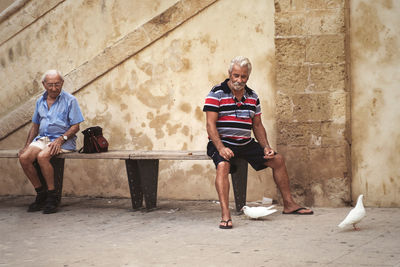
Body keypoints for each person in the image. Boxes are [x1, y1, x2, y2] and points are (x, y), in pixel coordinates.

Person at [203, 56, 313, 229]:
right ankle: (225, 214)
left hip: (246, 143)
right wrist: (221, 147)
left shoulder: (253, 96)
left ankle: (289, 204)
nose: (239, 80)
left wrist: (266, 147)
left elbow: (257, 125)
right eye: (236, 75)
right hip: (222, 142)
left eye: (243, 76)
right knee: (223, 166)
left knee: (278, 160)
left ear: (248, 77)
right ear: (230, 74)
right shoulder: (216, 93)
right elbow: (210, 125)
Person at [18, 70, 84, 214]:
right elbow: (35, 126)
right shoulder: (39, 101)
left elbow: (76, 126)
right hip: (44, 138)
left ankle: (52, 196)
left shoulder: (70, 100)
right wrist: (27, 145)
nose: (54, 88)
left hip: (63, 140)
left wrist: (61, 140)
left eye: (57, 84)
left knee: (42, 157)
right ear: (44, 85)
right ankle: (41, 194)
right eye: (50, 85)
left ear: (62, 83)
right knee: (24, 158)